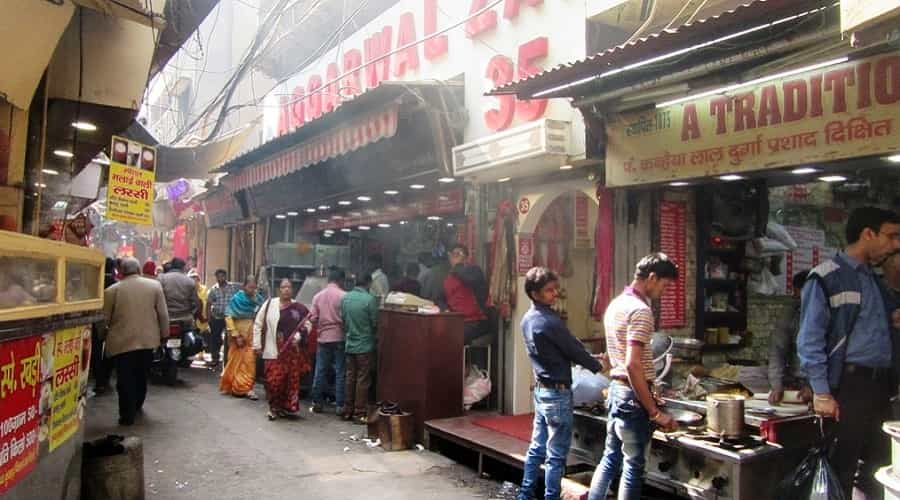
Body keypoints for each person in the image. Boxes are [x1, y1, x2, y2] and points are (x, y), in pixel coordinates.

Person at [798, 206, 900, 498]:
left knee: (880, 468)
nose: (896, 244)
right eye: (891, 236)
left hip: (880, 386)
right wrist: (821, 392)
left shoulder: (874, 280)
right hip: (848, 386)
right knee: (841, 468)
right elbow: (809, 339)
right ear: (868, 234)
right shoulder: (826, 277)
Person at [589, 253, 680, 500]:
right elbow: (632, 365)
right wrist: (654, 412)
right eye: (664, 284)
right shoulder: (640, 311)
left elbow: (612, 357)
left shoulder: (616, 304)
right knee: (633, 468)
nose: (663, 290)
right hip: (632, 397)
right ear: (652, 278)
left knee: (609, 459)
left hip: (617, 393)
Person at [518, 267, 604, 500]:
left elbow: (566, 347)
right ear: (535, 293)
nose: (554, 293)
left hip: (542, 391)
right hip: (557, 394)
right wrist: (601, 367)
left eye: (555, 289)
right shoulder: (549, 321)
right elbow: (574, 350)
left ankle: (525, 495)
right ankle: (551, 497)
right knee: (556, 455)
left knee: (537, 449)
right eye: (548, 290)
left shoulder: (528, 319)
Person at [101, 257, 169, 426]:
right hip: (147, 341)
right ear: (139, 270)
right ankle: (137, 405)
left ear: (121, 272)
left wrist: (102, 336)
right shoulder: (154, 286)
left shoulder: (112, 291)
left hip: (121, 342)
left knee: (125, 378)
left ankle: (126, 414)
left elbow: (103, 320)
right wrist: (164, 335)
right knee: (141, 375)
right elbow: (163, 314)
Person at [253, 279, 312, 420]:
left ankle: (283, 408)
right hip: (273, 349)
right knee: (273, 380)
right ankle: (273, 406)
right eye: (283, 287)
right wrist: (256, 345)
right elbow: (258, 324)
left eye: (289, 287)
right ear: (279, 290)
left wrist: (300, 335)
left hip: (291, 353)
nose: (286, 289)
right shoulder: (269, 305)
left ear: (292, 290)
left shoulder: (299, 308)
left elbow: (308, 324)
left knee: (289, 381)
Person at [767, 270, 812, 405]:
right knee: (749, 375)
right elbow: (777, 351)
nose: (796, 297)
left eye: (799, 295)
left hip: (821, 381)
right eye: (796, 295)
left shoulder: (828, 314)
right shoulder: (791, 312)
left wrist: (814, 386)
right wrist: (776, 385)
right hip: (794, 378)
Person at [340, 272, 379, 424]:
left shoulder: (345, 298)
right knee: (363, 379)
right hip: (364, 345)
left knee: (350, 377)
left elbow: (343, 320)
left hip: (349, 344)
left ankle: (347, 410)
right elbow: (375, 322)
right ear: (368, 283)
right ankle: (359, 413)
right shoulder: (369, 300)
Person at [309, 267, 347, 414]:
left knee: (320, 370)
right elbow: (346, 318)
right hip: (339, 337)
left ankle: (317, 402)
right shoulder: (344, 296)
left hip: (323, 338)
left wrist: (321, 324)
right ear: (340, 280)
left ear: (329, 280)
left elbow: (313, 318)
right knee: (340, 371)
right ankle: (339, 405)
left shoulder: (318, 296)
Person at [220, 276, 265, 400]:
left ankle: (247, 388)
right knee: (235, 362)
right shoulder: (237, 299)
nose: (252, 290)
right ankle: (235, 386)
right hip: (238, 337)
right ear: (244, 286)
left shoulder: (258, 299)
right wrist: (236, 335)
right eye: (250, 287)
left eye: (254, 287)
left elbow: (262, 315)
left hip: (252, 337)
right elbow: (228, 317)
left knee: (250, 362)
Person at [443, 244, 491, 344]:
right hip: (456, 320)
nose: (455, 258)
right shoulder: (448, 276)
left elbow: (470, 280)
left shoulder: (474, 271)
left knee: (452, 337)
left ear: (466, 258)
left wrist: (458, 266)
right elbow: (440, 297)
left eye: (458, 255)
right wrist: (444, 308)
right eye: (453, 255)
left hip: (475, 321)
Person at [91, 257, 118, 395]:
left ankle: (98, 379)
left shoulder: (94, 281)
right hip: (112, 322)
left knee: (95, 350)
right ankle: (105, 378)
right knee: (110, 350)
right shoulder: (115, 284)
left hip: (95, 320)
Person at [207, 269, 241, 368]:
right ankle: (215, 358)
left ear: (225, 277)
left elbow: (241, 295)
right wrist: (208, 318)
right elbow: (208, 304)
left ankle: (228, 359)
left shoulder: (233, 287)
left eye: (222, 276)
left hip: (230, 317)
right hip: (216, 317)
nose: (220, 278)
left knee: (229, 338)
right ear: (216, 277)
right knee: (215, 338)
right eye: (218, 276)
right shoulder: (213, 289)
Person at [158, 257, 200, 323]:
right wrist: (192, 314)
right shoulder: (190, 281)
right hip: (185, 319)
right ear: (183, 267)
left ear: (171, 266)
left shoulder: (161, 278)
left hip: (166, 318)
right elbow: (196, 303)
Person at [188, 269, 210, 355]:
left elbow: (207, 302)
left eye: (196, 279)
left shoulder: (204, 289)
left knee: (201, 334)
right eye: (192, 279)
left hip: (202, 317)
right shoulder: (188, 290)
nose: (194, 281)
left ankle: (201, 353)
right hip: (192, 316)